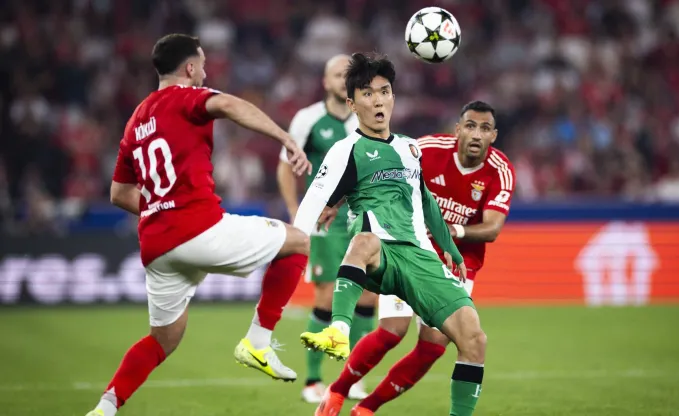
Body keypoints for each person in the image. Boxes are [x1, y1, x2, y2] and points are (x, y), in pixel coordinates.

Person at [85, 34, 311, 416]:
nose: (205, 72)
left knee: (164, 339)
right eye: (202, 65)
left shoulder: (136, 121)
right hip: (198, 227)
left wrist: (161, 209)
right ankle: (258, 340)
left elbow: (119, 193)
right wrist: (284, 137)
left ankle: (105, 407)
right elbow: (226, 104)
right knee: (299, 241)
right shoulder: (188, 97)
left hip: (157, 246)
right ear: (190, 68)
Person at [293, 52, 487, 416]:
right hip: (379, 253)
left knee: (473, 338)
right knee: (364, 242)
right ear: (352, 103)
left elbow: (426, 201)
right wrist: (293, 243)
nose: (378, 100)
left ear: (394, 97)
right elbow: (314, 200)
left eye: (384, 91)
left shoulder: (410, 148)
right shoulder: (343, 150)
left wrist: (451, 250)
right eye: (367, 94)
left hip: (420, 256)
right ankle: (338, 329)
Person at [322, 101, 516, 415]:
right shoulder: (426, 148)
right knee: (391, 331)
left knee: (433, 347)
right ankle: (337, 391)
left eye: (484, 128)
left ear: (493, 135)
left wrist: (452, 232)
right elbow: (377, 167)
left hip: (455, 265)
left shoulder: (501, 170)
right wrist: (335, 201)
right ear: (457, 129)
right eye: (469, 125)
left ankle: (367, 408)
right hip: (409, 249)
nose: (476, 134)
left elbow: (493, 227)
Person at [276, 54, 376, 403]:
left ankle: (355, 378)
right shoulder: (308, 119)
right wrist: (295, 212)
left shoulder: (367, 118)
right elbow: (286, 167)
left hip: (361, 218)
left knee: (368, 297)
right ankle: (313, 381)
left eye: (347, 74)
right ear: (325, 81)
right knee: (325, 296)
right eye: (336, 74)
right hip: (323, 221)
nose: (342, 78)